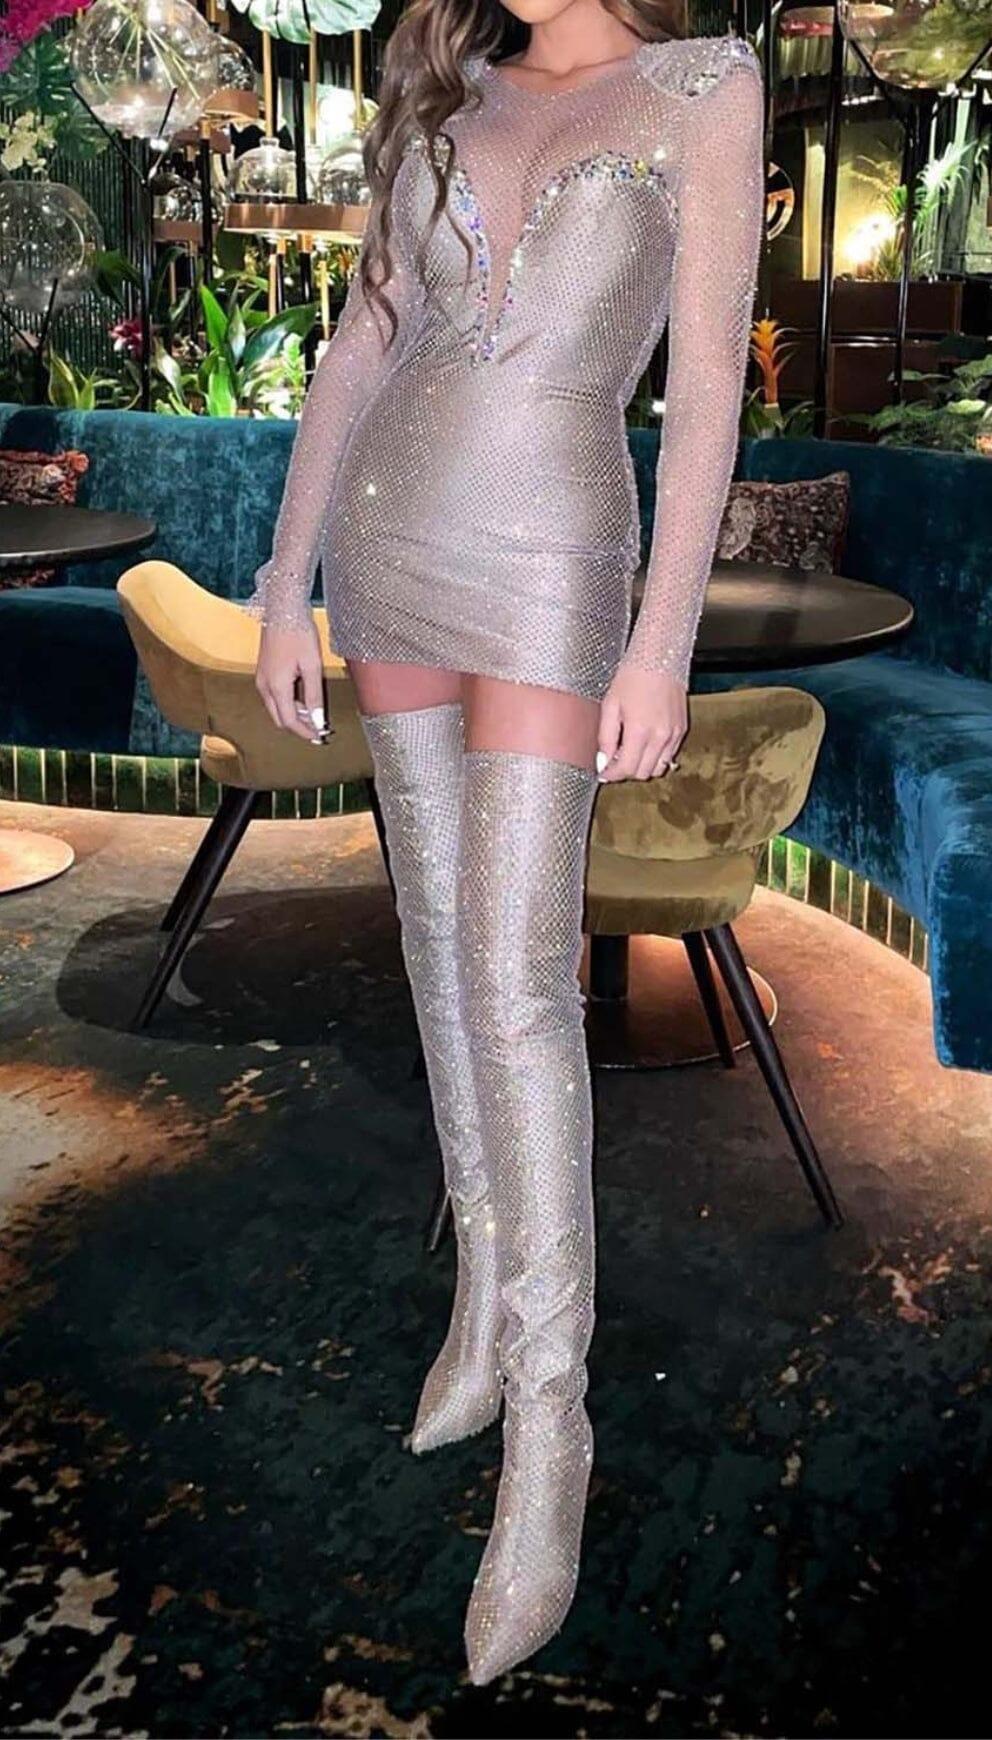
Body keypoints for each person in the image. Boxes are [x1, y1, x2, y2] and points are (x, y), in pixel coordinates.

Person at [248, 0, 764, 1685]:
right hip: (389, 547)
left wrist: (663, 644)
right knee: (433, 950)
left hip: (551, 558)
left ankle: (554, 1427)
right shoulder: (449, 88)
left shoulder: (703, 87)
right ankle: (482, 1307)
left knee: (520, 982)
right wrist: (283, 584)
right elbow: (362, 345)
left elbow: (702, 395)